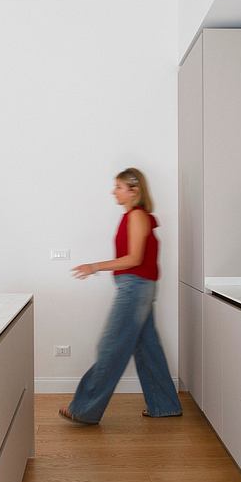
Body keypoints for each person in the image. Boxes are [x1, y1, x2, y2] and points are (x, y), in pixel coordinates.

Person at [59, 167, 183, 424]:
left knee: (111, 346)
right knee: (147, 348)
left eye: (118, 187)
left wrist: (95, 266)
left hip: (135, 288)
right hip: (140, 287)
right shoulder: (134, 216)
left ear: (133, 190)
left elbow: (134, 259)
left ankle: (84, 410)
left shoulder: (137, 216)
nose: (113, 191)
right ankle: (164, 405)